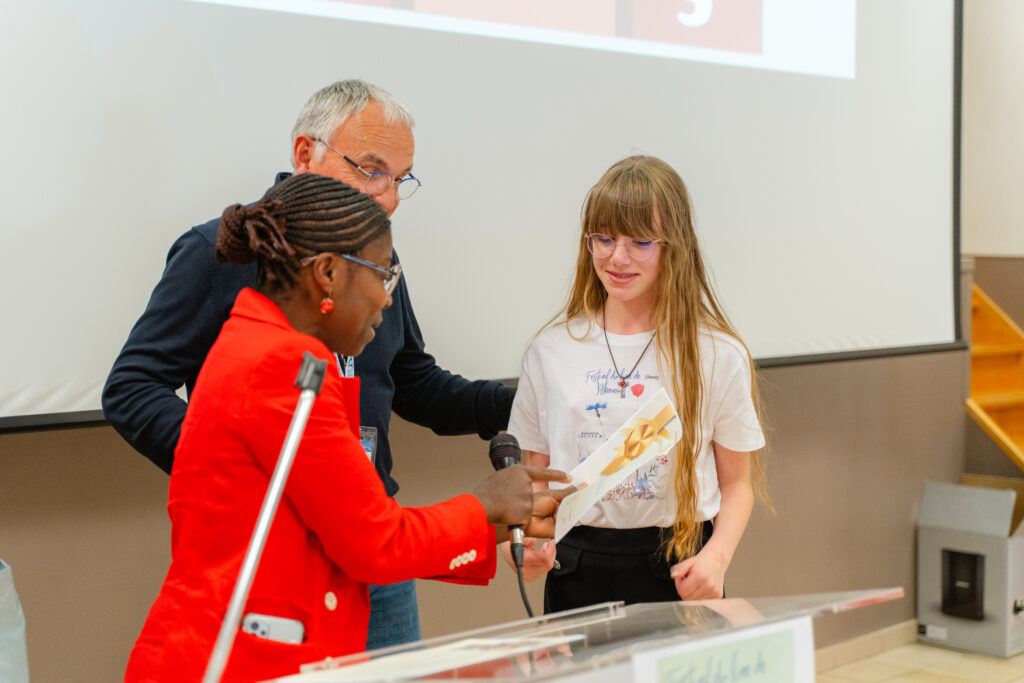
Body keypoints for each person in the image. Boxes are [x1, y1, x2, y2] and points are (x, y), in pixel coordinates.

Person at [102, 80, 514, 649]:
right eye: (372, 170)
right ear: (305, 153)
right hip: (281, 551)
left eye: (400, 179)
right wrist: (248, 471)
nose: (388, 197)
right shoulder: (224, 255)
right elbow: (132, 387)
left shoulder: (373, 257)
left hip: (374, 538)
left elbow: (412, 380)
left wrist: (522, 402)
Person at [124, 173, 571, 682]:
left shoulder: (259, 342)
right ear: (328, 273)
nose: (387, 299)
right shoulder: (281, 366)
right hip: (238, 663)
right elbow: (374, 543)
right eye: (383, 275)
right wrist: (484, 503)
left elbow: (342, 532)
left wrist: (495, 524)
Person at [505, 156, 769, 613]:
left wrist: (717, 558)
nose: (617, 258)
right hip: (576, 567)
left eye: (640, 242)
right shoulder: (550, 351)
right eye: (604, 239)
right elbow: (536, 477)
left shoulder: (718, 353)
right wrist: (530, 545)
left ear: (675, 246)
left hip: (678, 563)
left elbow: (738, 485)